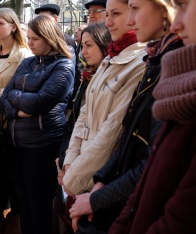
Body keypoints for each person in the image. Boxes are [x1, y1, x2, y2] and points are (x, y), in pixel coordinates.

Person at [69, 0, 184, 233]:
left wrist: (92, 189)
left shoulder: (163, 64)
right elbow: (121, 130)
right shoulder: (154, 61)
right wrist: (98, 178)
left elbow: (143, 153)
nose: (129, 21)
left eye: (133, 10)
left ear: (165, 8)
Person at [109, 0, 196, 232]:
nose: (176, 23)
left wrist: (97, 197)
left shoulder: (174, 73)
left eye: (183, 4)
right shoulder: (164, 66)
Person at [62, 0, 150, 216]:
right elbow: (83, 115)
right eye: (107, 13)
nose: (108, 21)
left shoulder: (139, 62)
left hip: (101, 176)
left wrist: (73, 178)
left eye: (116, 13)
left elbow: (112, 131)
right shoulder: (110, 58)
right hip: (80, 168)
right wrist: (70, 160)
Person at [0, 15, 75, 234]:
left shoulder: (63, 65)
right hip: (15, 143)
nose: (29, 43)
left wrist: (16, 98)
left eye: (35, 39)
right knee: (22, 203)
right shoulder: (27, 62)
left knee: (39, 205)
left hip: (41, 145)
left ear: (49, 39)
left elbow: (40, 102)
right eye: (28, 38)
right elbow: (4, 98)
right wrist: (17, 110)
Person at [53, 22, 111, 234]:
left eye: (89, 45)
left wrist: (73, 168)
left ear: (105, 46)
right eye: (82, 45)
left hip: (90, 169)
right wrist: (65, 159)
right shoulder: (87, 76)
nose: (83, 51)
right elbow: (75, 121)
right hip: (72, 160)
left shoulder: (106, 77)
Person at [0, 7, 31, 234]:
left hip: (14, 122)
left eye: (0, 23)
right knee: (0, 175)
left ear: (13, 26)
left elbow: (25, 90)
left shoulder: (24, 54)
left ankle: (16, 223)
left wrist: (1, 91)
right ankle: (4, 223)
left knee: (15, 176)